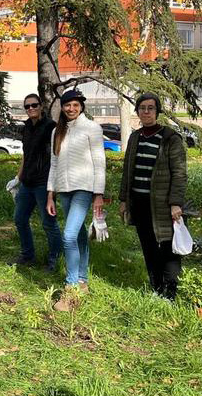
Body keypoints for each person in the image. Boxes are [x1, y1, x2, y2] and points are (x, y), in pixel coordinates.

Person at [118, 92, 187, 300]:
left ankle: (171, 292)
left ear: (157, 111)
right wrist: (124, 200)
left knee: (168, 248)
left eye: (150, 108)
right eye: (142, 108)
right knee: (148, 246)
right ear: (138, 111)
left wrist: (175, 203)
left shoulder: (170, 138)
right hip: (139, 203)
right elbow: (127, 170)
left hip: (163, 205)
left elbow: (180, 173)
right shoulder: (135, 137)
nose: (146, 112)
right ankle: (156, 288)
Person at [46, 90, 105, 311]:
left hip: (84, 188)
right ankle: (82, 280)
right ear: (61, 107)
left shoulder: (92, 128)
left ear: (81, 106)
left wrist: (98, 194)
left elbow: (99, 162)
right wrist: (50, 193)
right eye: (67, 105)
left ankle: (70, 289)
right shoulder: (56, 131)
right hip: (63, 189)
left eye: (75, 105)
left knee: (69, 235)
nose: (71, 109)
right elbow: (53, 163)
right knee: (79, 234)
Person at [5, 93, 62, 270]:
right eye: (27, 106)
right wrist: (18, 177)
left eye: (34, 105)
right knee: (20, 218)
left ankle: (55, 259)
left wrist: (52, 187)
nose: (31, 109)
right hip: (27, 183)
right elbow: (26, 155)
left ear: (41, 106)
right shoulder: (27, 127)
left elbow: (56, 156)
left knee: (48, 223)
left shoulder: (51, 127)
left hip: (44, 183)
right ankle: (27, 255)